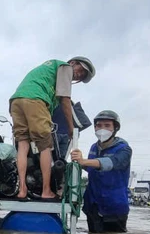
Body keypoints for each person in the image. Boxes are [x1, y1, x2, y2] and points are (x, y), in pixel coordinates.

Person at [10, 56, 95, 200]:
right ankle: (46, 191)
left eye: (82, 76)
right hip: (36, 99)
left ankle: (22, 189)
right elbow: (65, 100)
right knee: (45, 145)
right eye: (81, 70)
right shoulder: (65, 67)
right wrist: (70, 128)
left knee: (23, 144)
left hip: (16, 101)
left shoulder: (48, 69)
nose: (79, 75)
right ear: (73, 63)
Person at [70, 110, 132, 233]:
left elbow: (112, 163)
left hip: (114, 205)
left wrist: (84, 161)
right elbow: (91, 168)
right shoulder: (94, 147)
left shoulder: (124, 149)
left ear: (115, 128)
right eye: (98, 125)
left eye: (107, 125)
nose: (102, 128)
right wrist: (79, 162)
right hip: (93, 204)